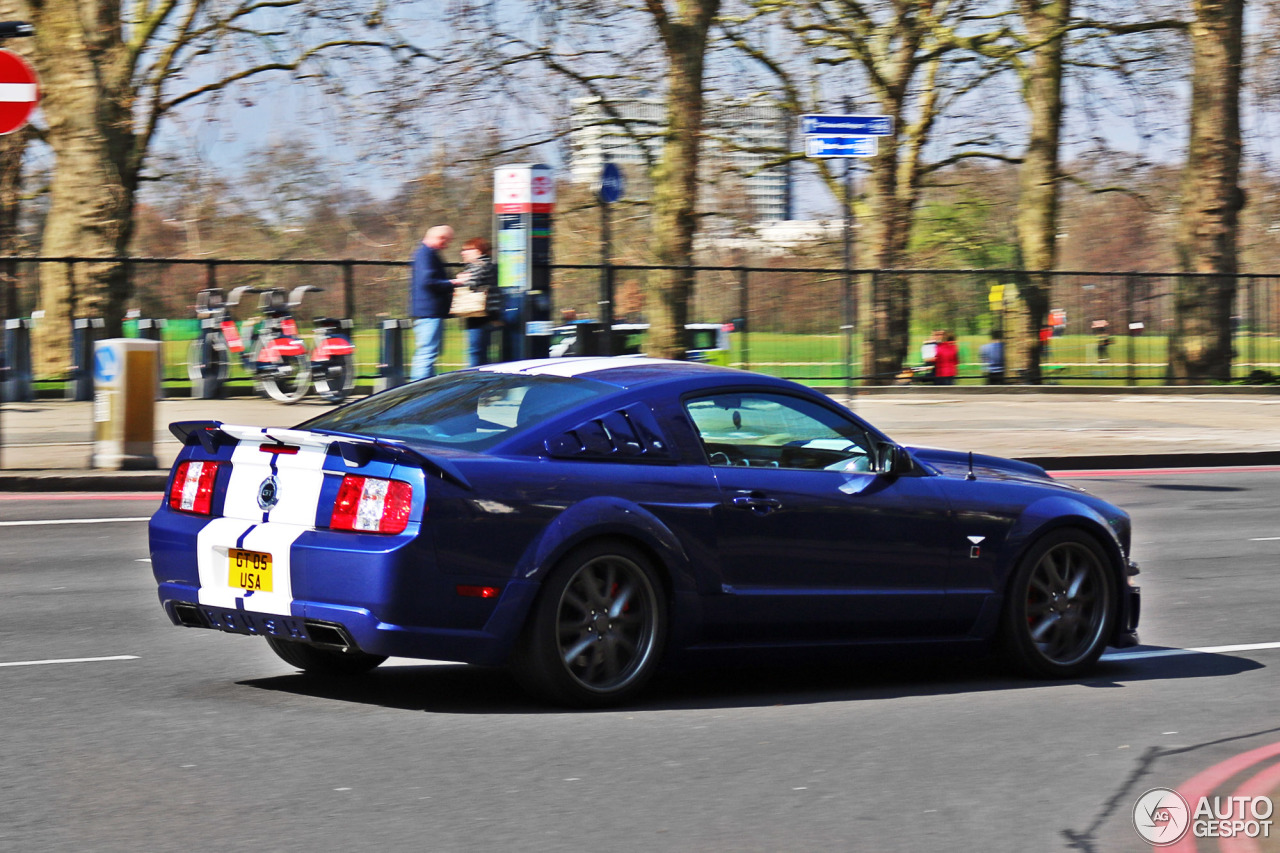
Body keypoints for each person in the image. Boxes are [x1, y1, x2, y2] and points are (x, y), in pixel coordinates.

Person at [409, 225, 458, 381]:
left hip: (429, 312)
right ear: (440, 238)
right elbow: (428, 281)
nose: (446, 245)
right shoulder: (426, 254)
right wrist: (452, 283)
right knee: (427, 354)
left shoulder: (426, 253)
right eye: (446, 241)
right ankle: (418, 390)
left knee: (428, 353)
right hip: (429, 311)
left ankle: (425, 387)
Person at [458, 237, 501, 367]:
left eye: (467, 250)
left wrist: (461, 279)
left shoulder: (482, 265)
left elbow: (472, 283)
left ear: (478, 251)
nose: (463, 253)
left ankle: (475, 380)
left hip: (481, 316)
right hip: (478, 316)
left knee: (476, 352)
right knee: (478, 351)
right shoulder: (478, 266)